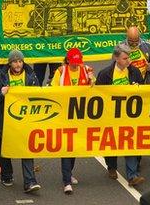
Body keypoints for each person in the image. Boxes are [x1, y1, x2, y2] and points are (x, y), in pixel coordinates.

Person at [0, 50, 41, 192]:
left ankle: (30, 181)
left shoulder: (31, 76)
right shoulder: (1, 77)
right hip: (6, 120)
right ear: (10, 63)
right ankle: (6, 174)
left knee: (27, 149)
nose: (17, 64)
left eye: (20, 61)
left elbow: (38, 94)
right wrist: (1, 93)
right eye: (14, 62)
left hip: (25, 121)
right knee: (6, 149)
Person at [96, 44, 145, 186]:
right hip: (111, 116)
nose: (128, 60)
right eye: (125, 58)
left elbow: (142, 90)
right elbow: (99, 95)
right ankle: (111, 166)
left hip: (129, 116)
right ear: (116, 58)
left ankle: (132, 176)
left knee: (130, 143)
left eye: (128, 57)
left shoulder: (134, 72)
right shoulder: (105, 74)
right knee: (111, 143)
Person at [50, 48, 94, 194]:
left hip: (80, 115)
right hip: (64, 114)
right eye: (74, 63)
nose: (76, 65)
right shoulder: (61, 71)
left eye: (78, 62)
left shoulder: (86, 69)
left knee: (74, 146)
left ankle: (69, 173)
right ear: (68, 60)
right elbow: (53, 90)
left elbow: (95, 86)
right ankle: (66, 181)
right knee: (66, 146)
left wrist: (92, 79)